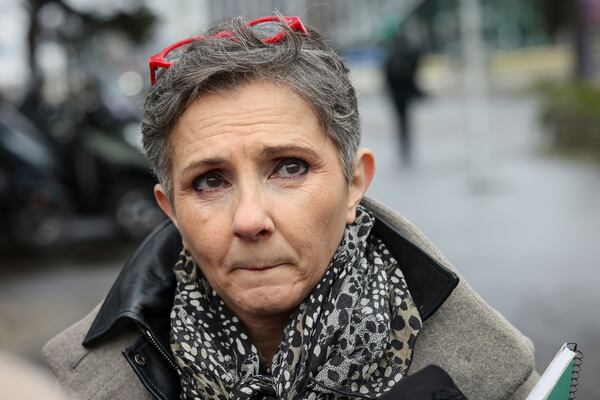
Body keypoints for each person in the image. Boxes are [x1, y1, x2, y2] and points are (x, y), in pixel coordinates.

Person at [43, 15, 538, 399]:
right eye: (210, 181)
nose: (251, 219)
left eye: (289, 167)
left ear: (353, 184)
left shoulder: (497, 380)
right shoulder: (63, 388)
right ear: (169, 208)